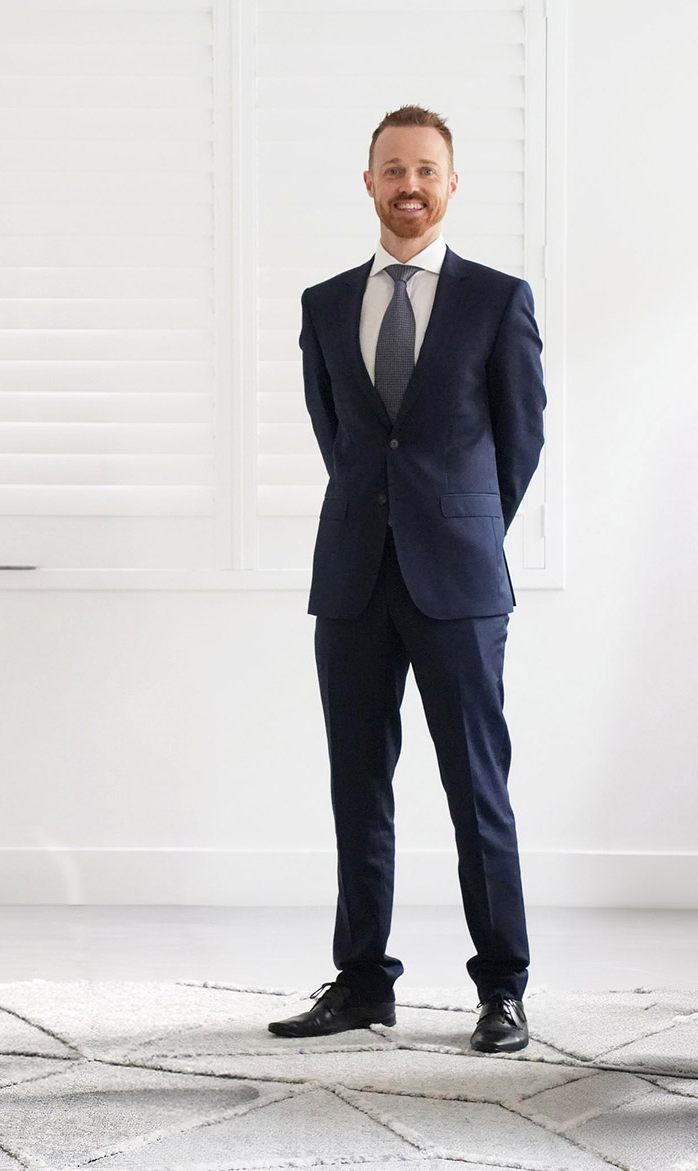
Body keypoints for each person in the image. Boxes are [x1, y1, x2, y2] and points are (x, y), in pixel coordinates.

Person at [268, 106, 546, 1053]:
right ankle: (361, 981)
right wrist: (380, 519)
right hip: (352, 578)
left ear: (452, 184)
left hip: (460, 582)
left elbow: (521, 442)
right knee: (359, 784)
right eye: (393, 168)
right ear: (369, 182)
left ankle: (502, 987)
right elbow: (339, 438)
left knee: (477, 786)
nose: (410, 184)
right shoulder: (323, 302)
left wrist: (461, 528)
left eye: (427, 168)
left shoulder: (497, 301)